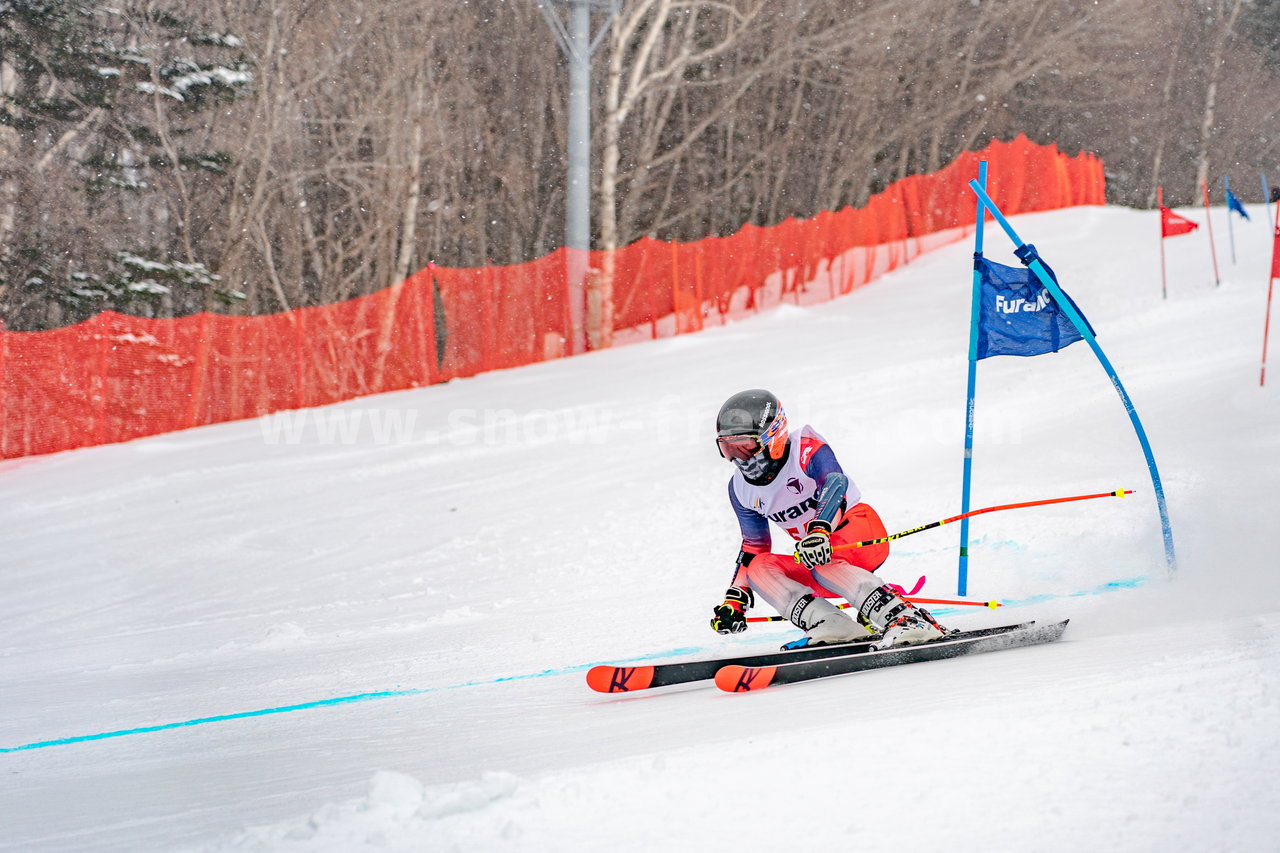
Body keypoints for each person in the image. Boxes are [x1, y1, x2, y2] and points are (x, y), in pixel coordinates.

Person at [709, 389, 947, 649]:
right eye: (728, 448)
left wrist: (820, 530)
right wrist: (735, 598)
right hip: (820, 560)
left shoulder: (805, 448)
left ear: (773, 435)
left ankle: (907, 619)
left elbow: (834, 483)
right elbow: (754, 547)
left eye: (745, 446)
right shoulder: (740, 489)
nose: (738, 458)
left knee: (818, 556)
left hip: (859, 533)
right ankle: (832, 624)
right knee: (759, 568)